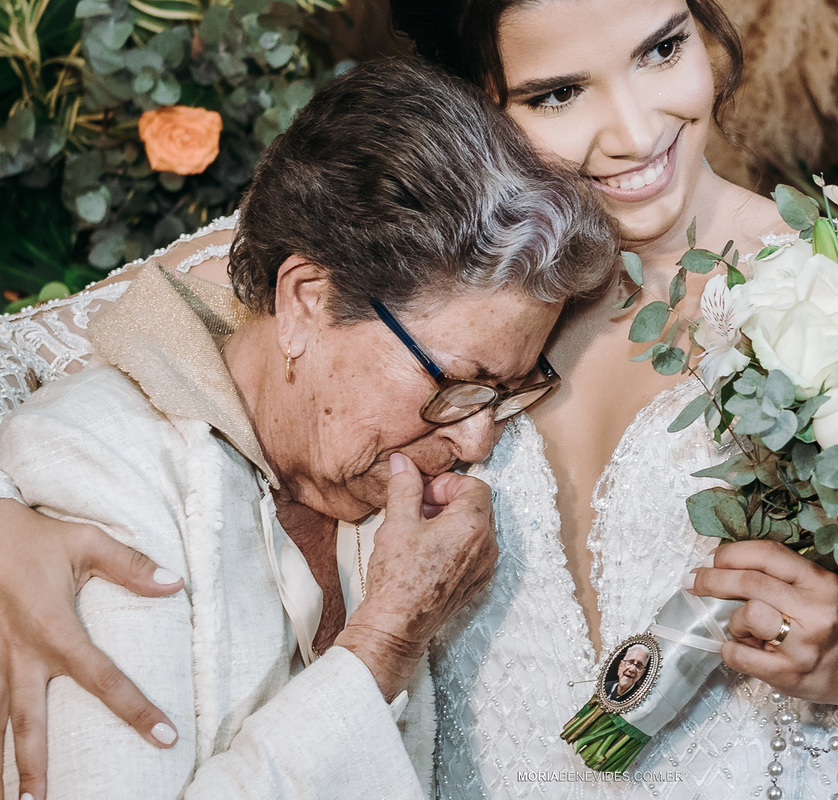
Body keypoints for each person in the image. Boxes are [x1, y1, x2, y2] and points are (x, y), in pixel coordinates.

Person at [0, 1, 838, 797]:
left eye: (661, 49)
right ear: (476, 101)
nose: (634, 131)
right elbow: (24, 352)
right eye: (557, 94)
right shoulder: (390, 252)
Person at [0, 56, 616, 799]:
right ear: (306, 301)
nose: (479, 440)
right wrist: (385, 641)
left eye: (508, 392)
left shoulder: (370, 470)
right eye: (459, 383)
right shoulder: (96, 469)